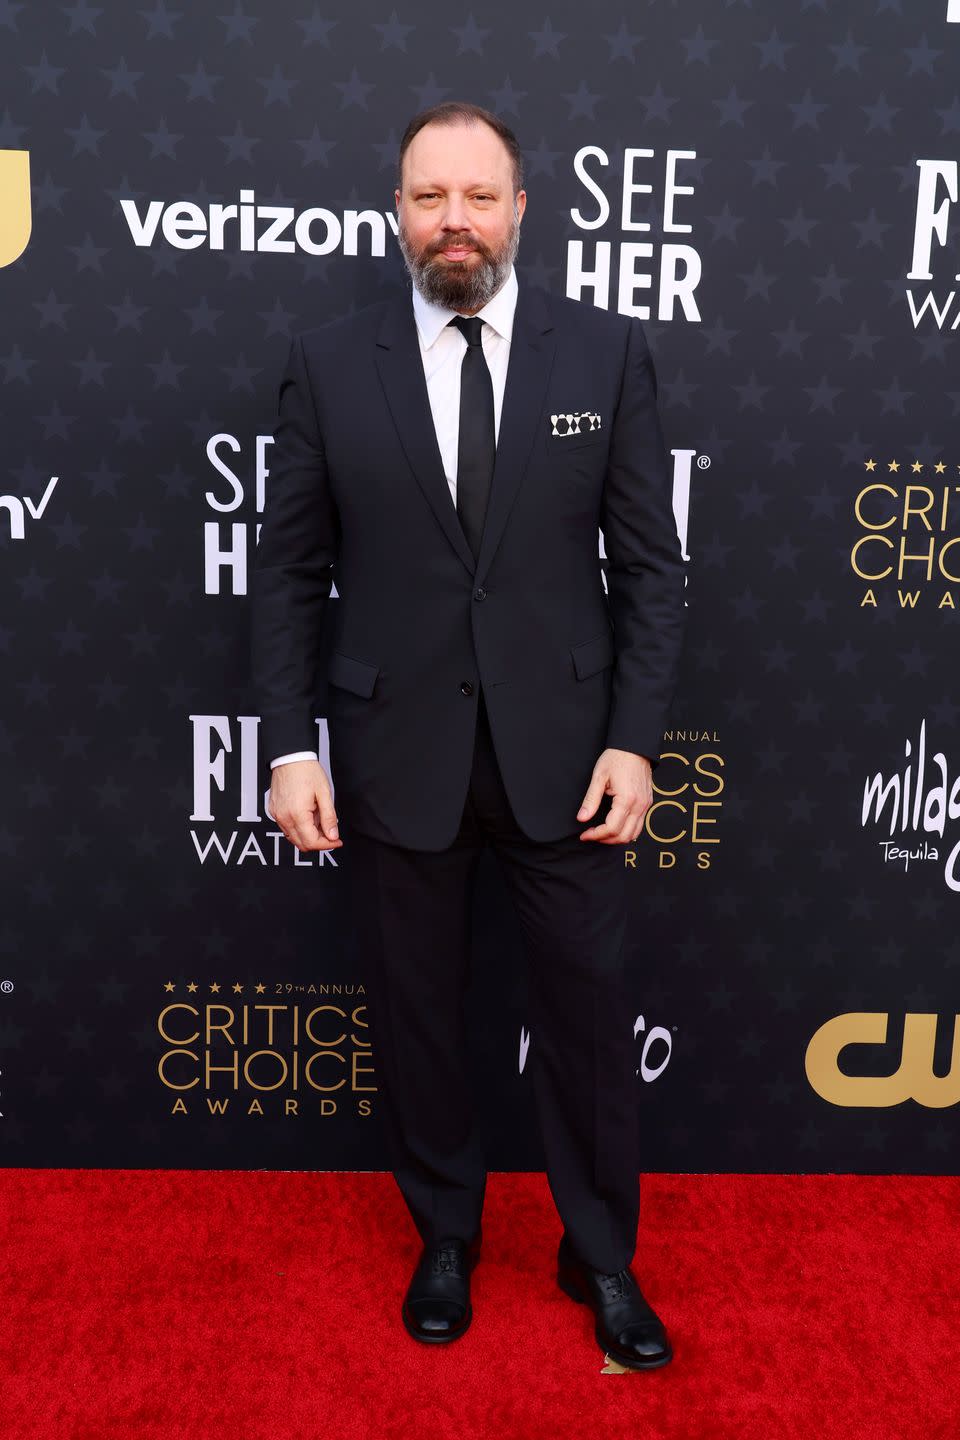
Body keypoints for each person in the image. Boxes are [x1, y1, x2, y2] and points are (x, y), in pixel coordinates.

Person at [250, 101, 686, 1370]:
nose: (454, 220)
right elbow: (287, 575)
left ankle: (601, 1254)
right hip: (395, 752)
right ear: (398, 213)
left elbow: (651, 572)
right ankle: (445, 1232)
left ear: (520, 212)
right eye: (429, 196)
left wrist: (635, 740)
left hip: (571, 756)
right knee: (419, 1015)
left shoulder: (604, 355)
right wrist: (288, 750)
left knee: (591, 1016)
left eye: (478, 197)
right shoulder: (330, 360)